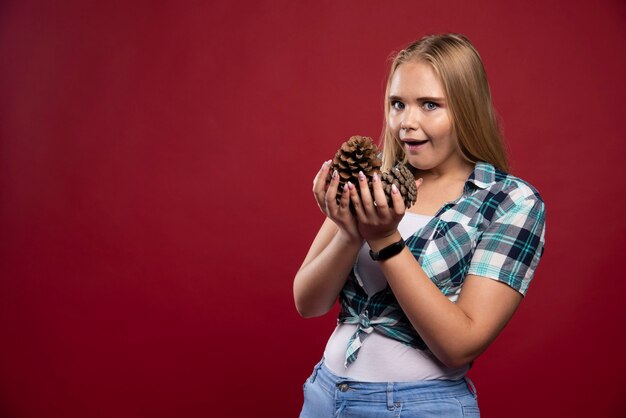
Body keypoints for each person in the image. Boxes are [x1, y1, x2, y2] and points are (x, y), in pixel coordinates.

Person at [293, 33, 546, 417]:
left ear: (467, 108)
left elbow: (460, 344)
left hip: (415, 406)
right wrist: (348, 232)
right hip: (325, 395)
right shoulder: (371, 178)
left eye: (430, 105)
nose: (407, 122)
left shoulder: (509, 202)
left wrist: (385, 240)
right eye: (398, 104)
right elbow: (308, 304)